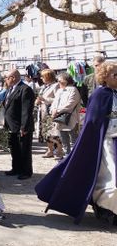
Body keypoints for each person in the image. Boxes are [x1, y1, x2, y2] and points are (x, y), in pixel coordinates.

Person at [35, 61, 117, 225]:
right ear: (105, 78)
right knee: (110, 180)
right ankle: (107, 209)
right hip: (106, 143)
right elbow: (92, 122)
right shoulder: (100, 94)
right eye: (115, 75)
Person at [3, 69, 35, 180]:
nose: (5, 80)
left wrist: (24, 127)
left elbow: (26, 110)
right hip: (11, 125)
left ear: (13, 78)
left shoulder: (25, 89)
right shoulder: (10, 89)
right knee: (14, 149)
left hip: (21, 126)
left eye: (6, 78)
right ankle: (16, 168)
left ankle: (26, 171)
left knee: (24, 150)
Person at [49, 73, 81, 159]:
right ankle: (67, 155)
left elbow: (70, 104)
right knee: (63, 138)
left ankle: (75, 157)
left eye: (60, 80)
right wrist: (52, 110)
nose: (58, 82)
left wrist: (57, 111)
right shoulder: (59, 91)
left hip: (71, 118)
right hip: (59, 119)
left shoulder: (73, 90)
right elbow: (54, 103)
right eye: (58, 80)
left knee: (73, 139)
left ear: (66, 80)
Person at [35, 69, 60, 154]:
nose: (41, 78)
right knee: (46, 132)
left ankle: (59, 150)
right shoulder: (44, 87)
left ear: (48, 77)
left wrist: (45, 99)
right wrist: (38, 101)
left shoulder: (56, 85)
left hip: (51, 111)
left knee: (53, 132)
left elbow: (58, 99)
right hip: (43, 111)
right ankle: (50, 150)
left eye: (43, 76)